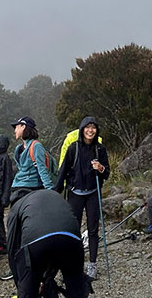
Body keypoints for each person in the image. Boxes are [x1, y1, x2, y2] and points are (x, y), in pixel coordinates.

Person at [53, 116, 110, 280]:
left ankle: (92, 265)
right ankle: (73, 264)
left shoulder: (100, 149)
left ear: (96, 130)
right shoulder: (73, 148)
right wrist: (54, 192)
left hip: (93, 193)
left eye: (93, 127)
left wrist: (100, 168)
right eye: (87, 127)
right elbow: (63, 172)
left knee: (93, 230)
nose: (90, 130)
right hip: (75, 193)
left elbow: (106, 173)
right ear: (82, 129)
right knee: (72, 230)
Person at [7, 190, 90, 298]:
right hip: (71, 237)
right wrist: (46, 279)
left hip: (37, 239)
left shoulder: (16, 207)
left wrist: (21, 282)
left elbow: (12, 248)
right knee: (75, 285)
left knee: (28, 290)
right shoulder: (51, 195)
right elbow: (56, 240)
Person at [10, 116, 54, 204]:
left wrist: (50, 190)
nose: (15, 130)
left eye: (16, 127)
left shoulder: (36, 146)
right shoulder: (18, 149)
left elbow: (42, 169)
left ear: (23, 126)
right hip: (18, 187)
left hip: (31, 189)